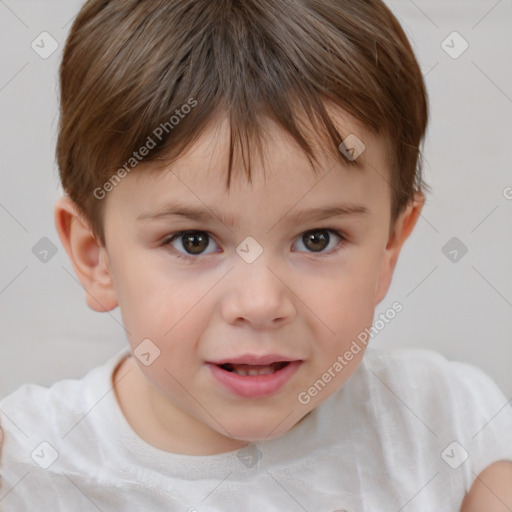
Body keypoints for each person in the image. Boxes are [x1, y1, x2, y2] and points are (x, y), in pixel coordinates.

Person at [1, 0, 511, 510]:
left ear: (389, 248)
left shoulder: (451, 424)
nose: (261, 302)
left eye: (318, 238)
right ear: (97, 258)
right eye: (193, 241)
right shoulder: (26, 470)